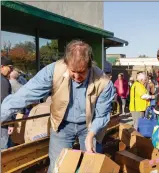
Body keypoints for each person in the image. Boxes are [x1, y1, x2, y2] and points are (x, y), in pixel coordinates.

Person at [1, 40, 115, 172]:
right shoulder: (53, 71)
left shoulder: (103, 82)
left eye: (82, 72)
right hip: (62, 124)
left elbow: (102, 115)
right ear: (66, 63)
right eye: (73, 72)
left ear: (90, 66)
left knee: (91, 166)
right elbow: (25, 95)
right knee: (57, 166)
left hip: (89, 126)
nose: (77, 77)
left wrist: (91, 136)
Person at [1, 56, 14, 149]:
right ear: (2, 66)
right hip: (3, 122)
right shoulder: (3, 81)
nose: (11, 70)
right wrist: (10, 123)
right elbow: (5, 103)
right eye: (10, 67)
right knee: (3, 148)